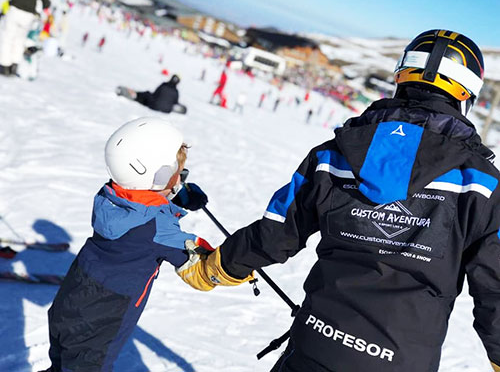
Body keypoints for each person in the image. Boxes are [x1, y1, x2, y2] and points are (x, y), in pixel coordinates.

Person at [176, 30, 500, 372]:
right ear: (466, 95)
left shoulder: (334, 155)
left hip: (315, 344)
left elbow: (275, 234)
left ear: (402, 76)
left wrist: (214, 268)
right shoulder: (481, 184)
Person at [39, 117, 210, 372]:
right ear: (161, 176)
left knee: (62, 364)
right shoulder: (157, 228)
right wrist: (242, 258)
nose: (180, 178)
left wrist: (180, 192)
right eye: (178, 173)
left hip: (71, 300)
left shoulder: (109, 195)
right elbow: (204, 269)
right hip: (104, 321)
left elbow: (141, 195)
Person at [0, 0, 50, 76]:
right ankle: (14, 66)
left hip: (15, 10)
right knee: (20, 40)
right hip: (28, 15)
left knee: (8, 38)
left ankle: (5, 66)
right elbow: (46, 3)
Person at [116, 74, 187, 114]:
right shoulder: (176, 92)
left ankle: (136, 95)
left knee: (147, 94)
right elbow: (175, 103)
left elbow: (155, 94)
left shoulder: (164, 85)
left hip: (154, 106)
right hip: (166, 110)